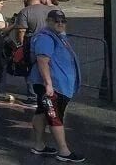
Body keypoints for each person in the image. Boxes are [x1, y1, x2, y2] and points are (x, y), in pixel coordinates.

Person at [28, 9, 84, 162]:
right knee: (55, 115)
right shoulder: (45, 38)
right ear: (48, 21)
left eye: (62, 21)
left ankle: (39, 145)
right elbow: (42, 61)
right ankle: (63, 151)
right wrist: (48, 84)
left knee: (41, 111)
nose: (60, 23)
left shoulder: (58, 36)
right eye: (56, 21)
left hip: (57, 84)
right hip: (52, 85)